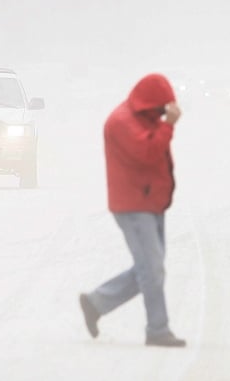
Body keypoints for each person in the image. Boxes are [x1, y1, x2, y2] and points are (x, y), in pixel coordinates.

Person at [79, 73, 186, 348]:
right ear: (151, 104)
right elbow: (148, 152)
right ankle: (158, 330)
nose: (164, 113)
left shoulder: (143, 117)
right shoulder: (122, 122)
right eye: (161, 108)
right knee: (151, 269)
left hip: (150, 202)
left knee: (151, 269)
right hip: (134, 206)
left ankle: (96, 302)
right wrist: (169, 126)